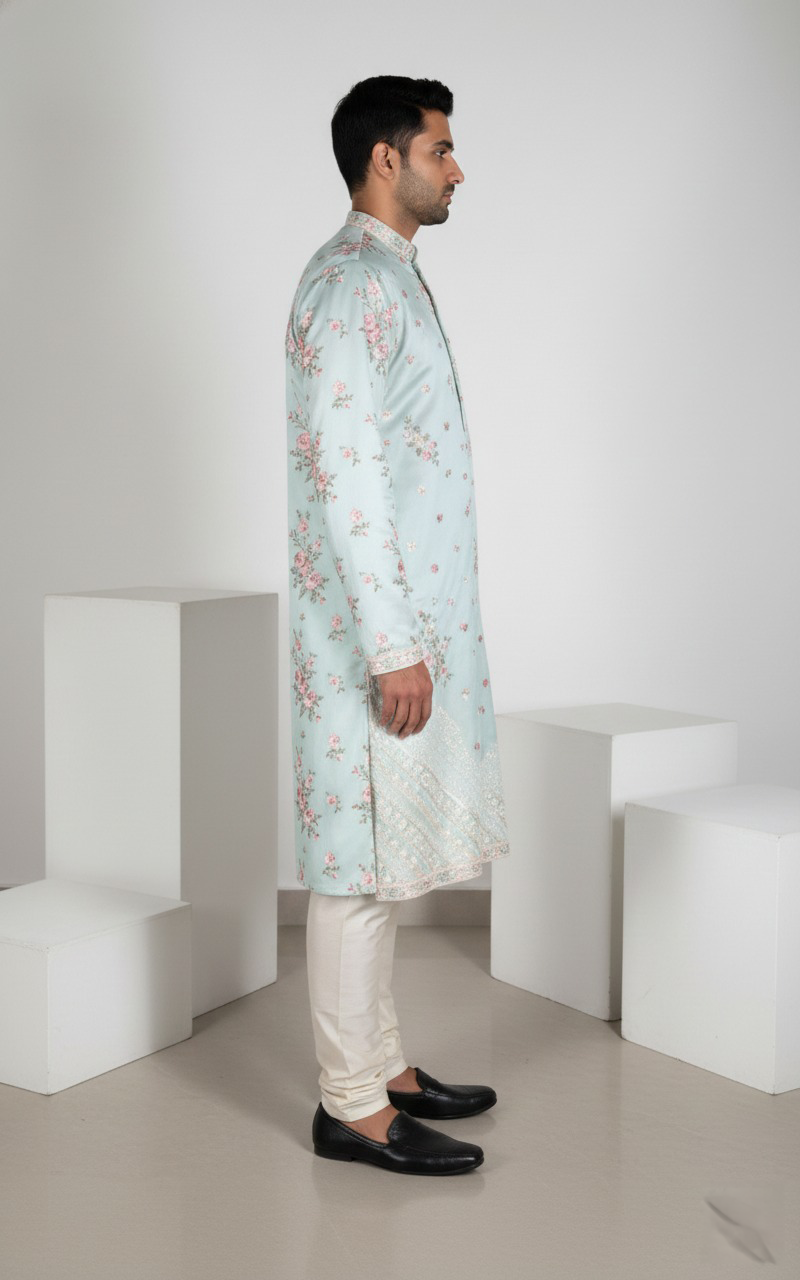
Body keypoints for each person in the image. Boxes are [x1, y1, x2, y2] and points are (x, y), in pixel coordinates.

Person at [284, 75, 510, 1176]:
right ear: (387, 158)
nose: (457, 168)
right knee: (352, 869)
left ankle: (381, 1068)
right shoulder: (346, 286)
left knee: (377, 870)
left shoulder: (389, 275)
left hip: (407, 625)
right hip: (369, 638)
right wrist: (390, 646)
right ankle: (349, 1107)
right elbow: (348, 479)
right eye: (440, 149)